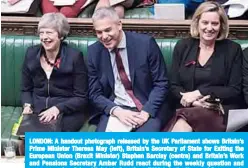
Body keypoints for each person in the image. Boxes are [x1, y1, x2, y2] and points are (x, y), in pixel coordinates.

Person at [163, 1, 245, 132]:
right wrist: (194, 102)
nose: (209, 28)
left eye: (215, 23)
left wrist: (199, 93)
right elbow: (173, 86)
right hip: (189, 107)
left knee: (182, 123)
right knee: (183, 121)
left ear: (221, 25)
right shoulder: (183, 46)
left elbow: (234, 90)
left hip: (219, 110)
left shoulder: (232, 49)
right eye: (205, 22)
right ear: (197, 23)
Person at [88, 7, 169, 132]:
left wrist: (146, 112)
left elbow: (161, 83)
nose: (104, 36)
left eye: (108, 30)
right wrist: (116, 111)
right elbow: (94, 94)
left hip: (147, 106)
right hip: (117, 108)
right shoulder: (94, 52)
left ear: (119, 25)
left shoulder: (146, 44)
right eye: (99, 32)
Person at [19, 13, 88, 154]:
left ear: (61, 35)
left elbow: (82, 97)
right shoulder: (31, 54)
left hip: (67, 111)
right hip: (39, 111)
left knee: (54, 142)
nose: (44, 37)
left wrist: (57, 108)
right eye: (41, 33)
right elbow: (26, 89)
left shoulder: (74, 57)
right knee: (29, 141)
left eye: (49, 33)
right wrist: (27, 105)